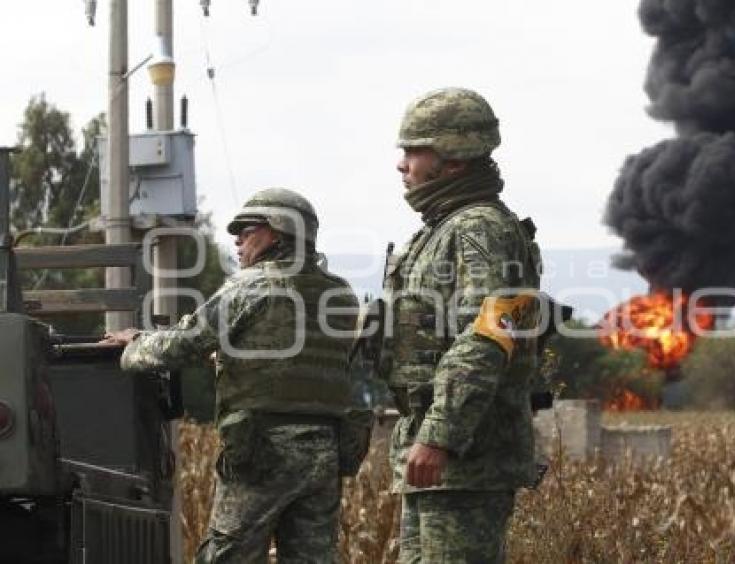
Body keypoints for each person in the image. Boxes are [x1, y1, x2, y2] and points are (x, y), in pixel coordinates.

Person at [106, 188, 360, 564]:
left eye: (246, 229)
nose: (237, 239)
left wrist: (132, 347)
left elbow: (183, 345)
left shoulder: (252, 285)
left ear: (277, 232)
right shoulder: (340, 294)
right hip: (325, 451)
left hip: (263, 451)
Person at [385, 87, 543, 563]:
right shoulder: (441, 230)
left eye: (414, 150)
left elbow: (489, 336)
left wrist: (440, 434)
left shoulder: (479, 229)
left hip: (466, 459)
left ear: (453, 160)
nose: (402, 164)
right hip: (444, 462)